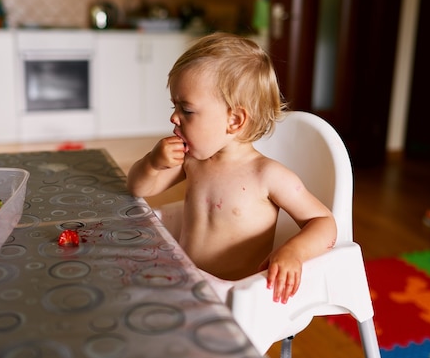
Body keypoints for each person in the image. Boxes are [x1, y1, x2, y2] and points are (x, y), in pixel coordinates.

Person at [126, 32, 337, 304]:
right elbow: (138, 187)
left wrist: (293, 252)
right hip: (186, 284)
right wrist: (152, 163)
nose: (173, 117)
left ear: (234, 120)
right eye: (174, 105)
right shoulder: (194, 160)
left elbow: (324, 222)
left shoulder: (267, 175)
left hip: (233, 299)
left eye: (186, 110)